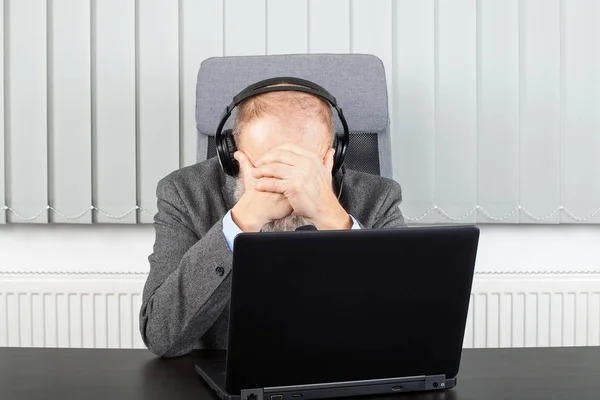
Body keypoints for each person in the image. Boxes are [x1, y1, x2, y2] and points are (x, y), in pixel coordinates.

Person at [139, 79, 406, 357]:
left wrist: (335, 220)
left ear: (331, 158)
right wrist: (241, 221)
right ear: (233, 156)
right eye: (268, 168)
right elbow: (161, 337)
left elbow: (409, 328)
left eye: (302, 167)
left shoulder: (378, 198)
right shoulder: (185, 194)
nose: (286, 184)